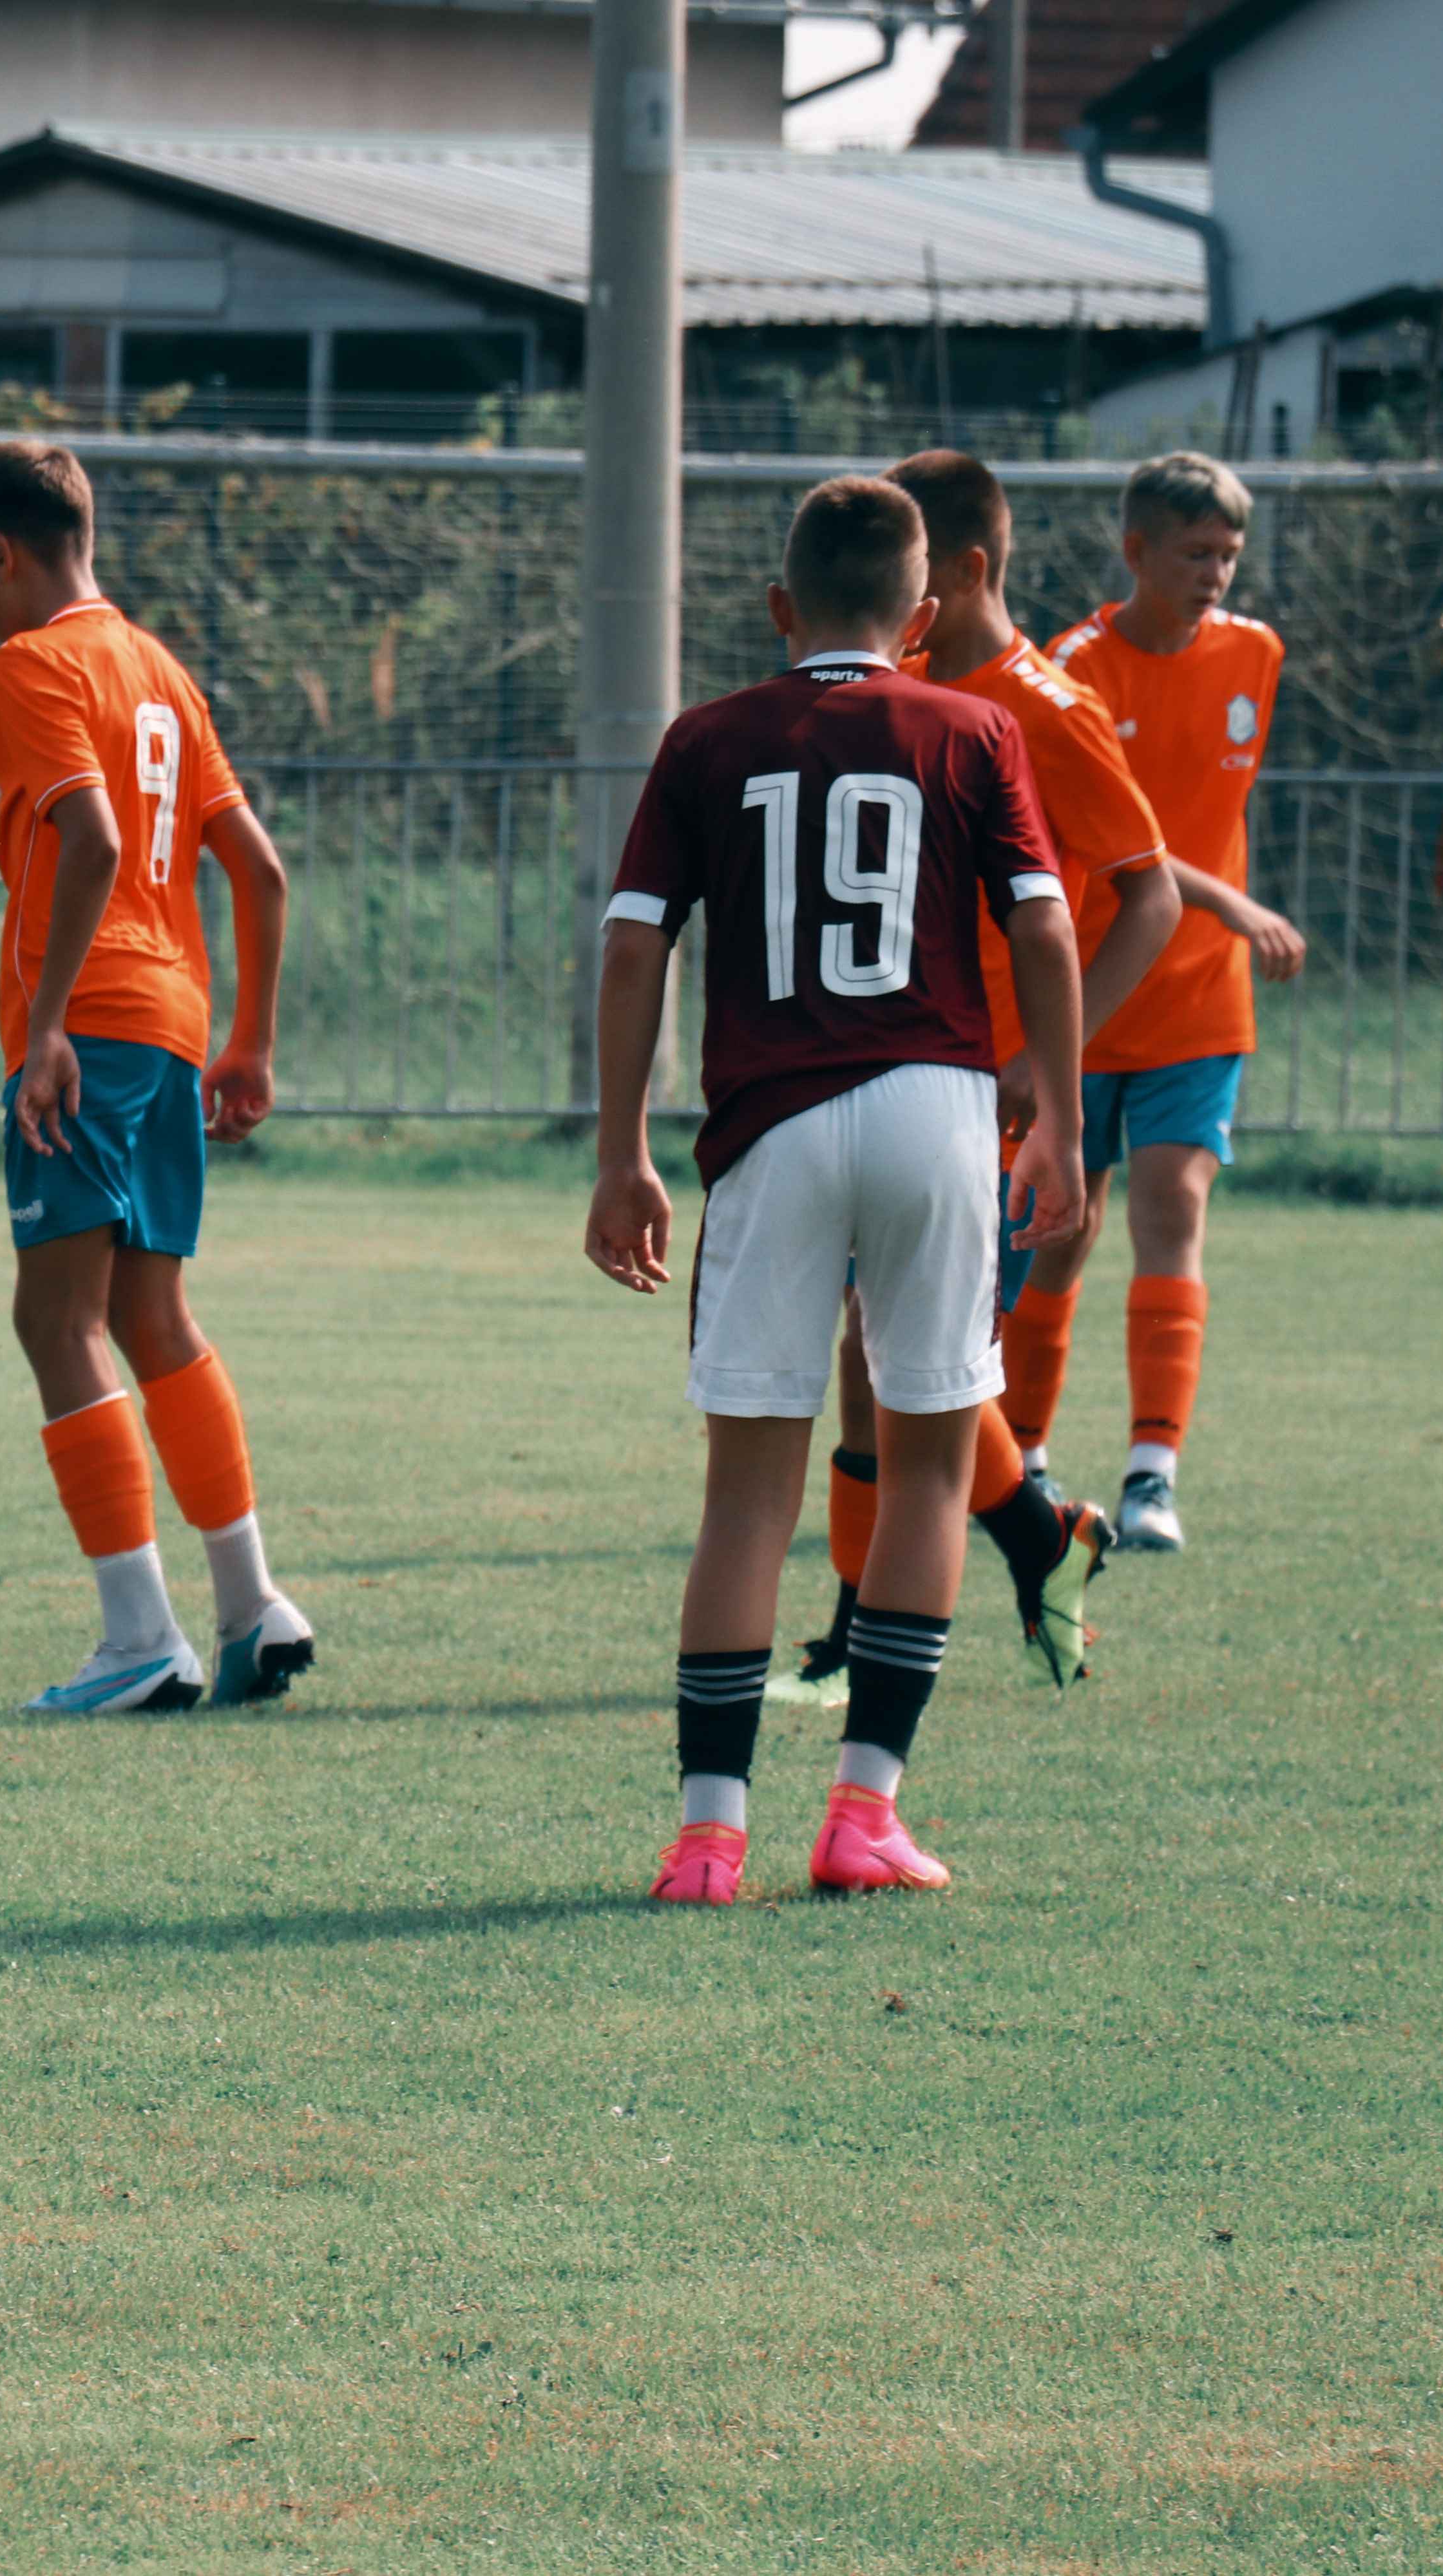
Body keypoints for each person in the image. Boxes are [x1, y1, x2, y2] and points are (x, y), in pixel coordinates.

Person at [588, 476, 1087, 1908]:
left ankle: (707, 1837)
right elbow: (1043, 923)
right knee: (933, 1462)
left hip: (772, 1122)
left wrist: (622, 1149)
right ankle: (865, 1814)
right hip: (937, 1108)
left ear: (778, 607)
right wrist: (1047, 1111)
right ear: (923, 620)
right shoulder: (974, 723)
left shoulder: (706, 739)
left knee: (750, 1492)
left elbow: (636, 951)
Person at [781, 450, 1187, 1707]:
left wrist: (1042, 1067)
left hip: (982, 1097)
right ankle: (993, 1556)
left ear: (960, 571)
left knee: (917, 1363)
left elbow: (1151, 896)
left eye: (915, 570)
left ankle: (933, 1590)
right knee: (882, 1352)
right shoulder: (895, 693)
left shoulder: (1044, 710)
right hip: (898, 1077)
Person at [0, 439, 316, 1716]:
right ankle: (252, 1603)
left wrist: (44, 1026)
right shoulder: (161, 667)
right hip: (172, 1023)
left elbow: (90, 834)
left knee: (58, 1320)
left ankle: (139, 1635)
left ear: (2, 550)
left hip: (88, 1023)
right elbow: (258, 869)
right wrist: (251, 1038)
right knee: (156, 1319)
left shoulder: (33, 660)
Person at [1020, 452, 1310, 1553]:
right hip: (1089, 996)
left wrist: (1224, 921)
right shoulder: (1073, 671)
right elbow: (1122, 841)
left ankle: (1152, 1477)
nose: (1217, 575)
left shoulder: (1256, 656)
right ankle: (1028, 1460)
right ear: (1135, 551)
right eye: (1195, 554)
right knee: (1063, 1228)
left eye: (1230, 556)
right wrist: (1233, 900)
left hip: (1200, 1002)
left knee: (1173, 1210)